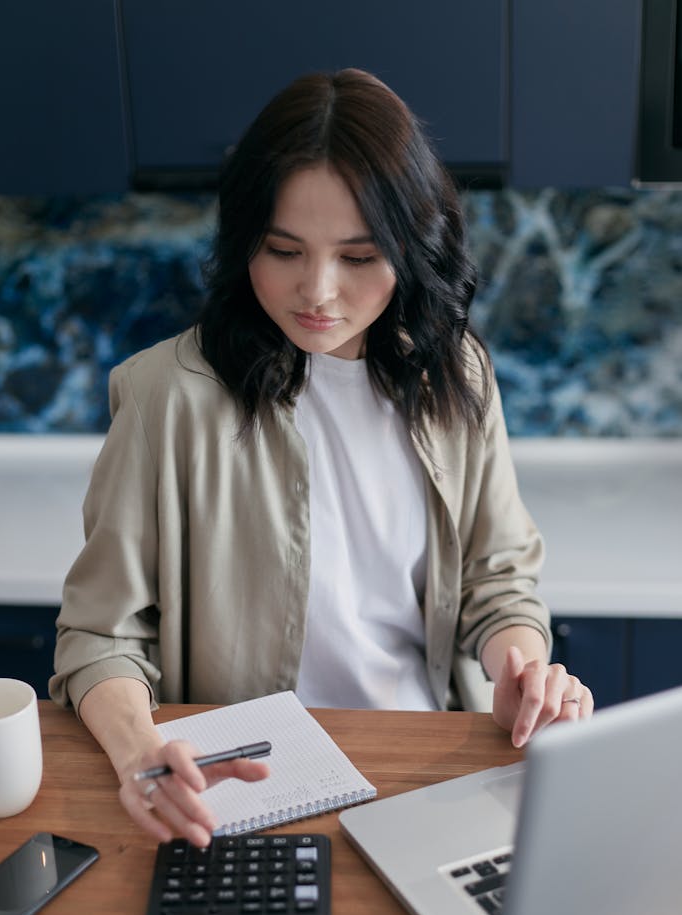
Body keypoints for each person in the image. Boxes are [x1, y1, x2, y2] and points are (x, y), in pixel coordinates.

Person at [50, 68, 593, 847]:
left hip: (423, 771)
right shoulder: (167, 395)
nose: (318, 292)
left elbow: (497, 579)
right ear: (246, 240)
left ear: (414, 249)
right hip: (242, 791)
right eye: (283, 249)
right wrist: (141, 754)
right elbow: (98, 637)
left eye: (360, 257)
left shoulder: (456, 372)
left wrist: (521, 673)